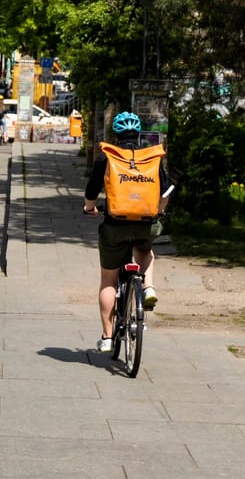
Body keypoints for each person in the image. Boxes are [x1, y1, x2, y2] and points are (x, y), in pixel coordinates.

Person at [83, 111, 174, 354]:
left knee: (108, 280)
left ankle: (107, 336)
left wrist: (90, 207)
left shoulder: (107, 157)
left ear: (116, 135)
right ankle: (149, 287)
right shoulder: (151, 157)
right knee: (146, 251)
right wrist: (158, 211)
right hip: (146, 223)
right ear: (139, 133)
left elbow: (92, 189)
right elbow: (166, 191)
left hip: (115, 225)